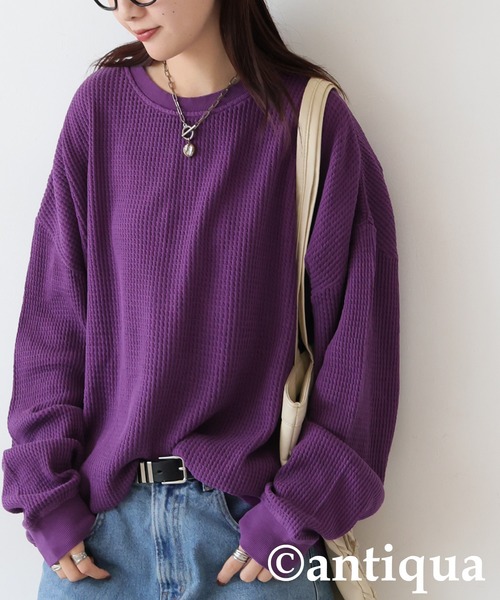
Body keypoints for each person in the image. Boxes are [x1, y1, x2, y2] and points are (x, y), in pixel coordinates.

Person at [1, 0, 400, 598]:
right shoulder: (100, 110)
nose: (126, 10)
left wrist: (295, 510)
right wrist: (46, 495)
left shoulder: (312, 121)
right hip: (100, 538)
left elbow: (359, 345)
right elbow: (54, 319)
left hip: (253, 540)